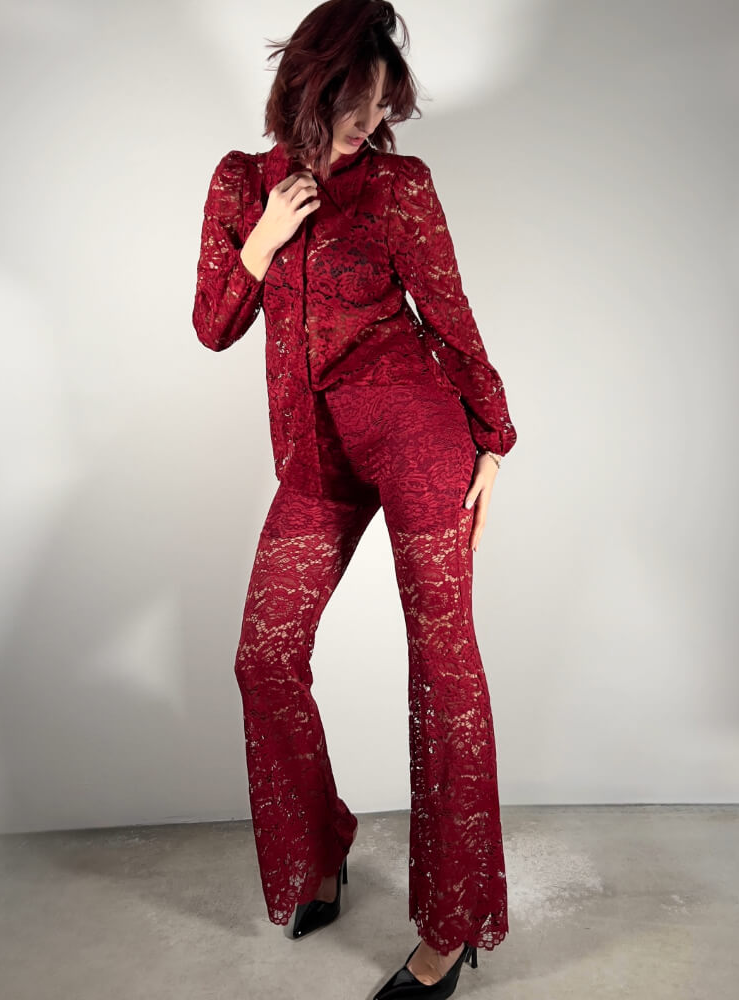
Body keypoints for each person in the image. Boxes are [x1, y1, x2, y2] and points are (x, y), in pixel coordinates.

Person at [191, 1, 516, 996]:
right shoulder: (241, 183)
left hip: (416, 429)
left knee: (442, 665)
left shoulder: (400, 188)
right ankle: (319, 850)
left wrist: (493, 438)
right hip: (314, 458)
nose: (366, 126)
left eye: (380, 107)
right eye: (351, 105)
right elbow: (213, 324)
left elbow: (449, 314)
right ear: (307, 88)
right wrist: (264, 237)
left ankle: (450, 930)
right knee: (264, 657)